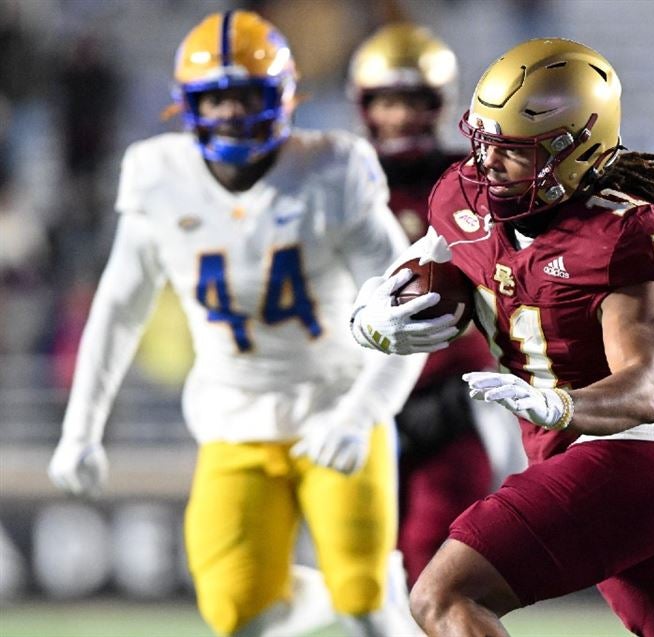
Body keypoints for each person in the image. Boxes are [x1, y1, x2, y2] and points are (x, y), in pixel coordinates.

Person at [349, 38, 654, 636]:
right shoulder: (463, 196)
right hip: (595, 470)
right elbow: (434, 262)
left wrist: (562, 404)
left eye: (513, 152)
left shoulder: (618, 232)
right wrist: (372, 318)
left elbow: (645, 388)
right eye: (484, 143)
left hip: (627, 460)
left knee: (443, 595)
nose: (488, 165)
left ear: (573, 150)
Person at [46, 11, 431, 637]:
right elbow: (118, 310)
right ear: (187, 105)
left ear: (282, 97)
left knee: (367, 602)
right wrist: (81, 429)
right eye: (215, 96)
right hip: (233, 414)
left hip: (332, 404)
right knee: (236, 613)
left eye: (244, 94)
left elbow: (410, 311)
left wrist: (361, 414)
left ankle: (357, 594)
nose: (229, 112)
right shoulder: (158, 176)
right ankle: (325, 600)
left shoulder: (332, 169)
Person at [346, 22, 524, 589]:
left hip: (451, 400)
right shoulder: (337, 182)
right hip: (358, 400)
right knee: (364, 572)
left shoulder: (472, 183)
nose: (399, 117)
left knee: (440, 561)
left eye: (412, 101)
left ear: (439, 104)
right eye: (387, 101)